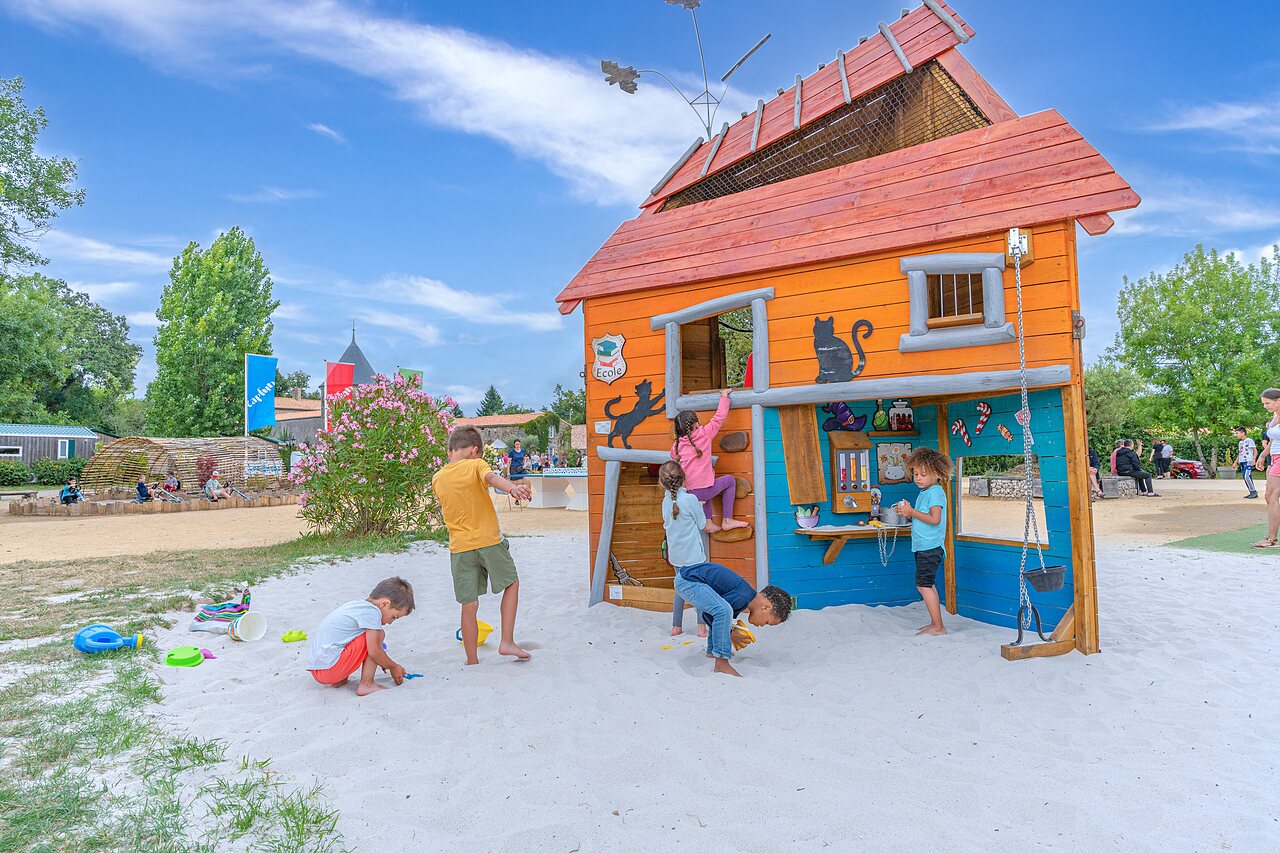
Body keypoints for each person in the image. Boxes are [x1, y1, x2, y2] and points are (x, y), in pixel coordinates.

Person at [431, 425, 533, 664]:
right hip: (488, 540)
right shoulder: (477, 464)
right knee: (512, 583)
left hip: (459, 547)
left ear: (450, 451)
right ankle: (507, 641)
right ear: (475, 450)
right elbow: (491, 478)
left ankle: (471, 659)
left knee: (469, 603)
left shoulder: (438, 478)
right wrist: (513, 488)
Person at [672, 559, 791, 677]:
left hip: (688, 579)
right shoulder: (743, 597)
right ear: (765, 607)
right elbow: (716, 615)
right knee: (723, 611)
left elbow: (709, 616)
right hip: (689, 581)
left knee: (722, 614)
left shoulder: (744, 597)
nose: (762, 625)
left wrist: (728, 631)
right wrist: (729, 634)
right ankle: (721, 663)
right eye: (767, 622)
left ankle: (712, 651)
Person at [306, 576, 413, 696]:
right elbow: (374, 652)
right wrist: (393, 666)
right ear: (384, 604)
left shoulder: (357, 605)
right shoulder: (372, 612)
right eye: (394, 616)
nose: (390, 622)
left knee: (364, 636)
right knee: (378, 634)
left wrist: (383, 661)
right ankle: (367, 684)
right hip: (329, 670)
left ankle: (340, 680)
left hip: (319, 669)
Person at [893, 447, 952, 636]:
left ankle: (938, 627)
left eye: (923, 474)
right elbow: (924, 518)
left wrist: (911, 512)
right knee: (927, 584)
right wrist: (908, 514)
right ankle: (936, 624)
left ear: (937, 473)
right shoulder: (925, 492)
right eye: (916, 473)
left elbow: (935, 519)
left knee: (924, 585)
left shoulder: (935, 492)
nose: (918, 477)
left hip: (930, 547)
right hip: (922, 546)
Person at [671, 390, 747, 533]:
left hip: (688, 492)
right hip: (702, 491)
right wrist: (724, 396)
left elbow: (673, 456)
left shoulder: (677, 445)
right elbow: (719, 417)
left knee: (707, 485)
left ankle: (708, 522)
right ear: (696, 424)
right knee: (729, 481)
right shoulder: (704, 433)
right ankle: (727, 520)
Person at [659, 460, 713, 638]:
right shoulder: (690, 499)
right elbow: (702, 524)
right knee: (700, 589)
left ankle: (676, 627)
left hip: (676, 556)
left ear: (662, 483)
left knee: (680, 588)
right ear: (683, 478)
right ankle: (701, 628)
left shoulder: (665, 503)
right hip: (694, 556)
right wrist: (700, 507)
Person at [1254, 389, 1280, 548]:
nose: (1265, 406)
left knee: (1271, 495)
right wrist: (1263, 455)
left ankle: (1271, 539)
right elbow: (1273, 440)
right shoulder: (1275, 416)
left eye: (1268, 403)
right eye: (1264, 403)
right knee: (1270, 496)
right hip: (1275, 457)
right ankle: (1271, 538)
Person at [1235, 426, 1259, 500]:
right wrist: (1235, 462)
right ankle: (1252, 492)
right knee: (1245, 477)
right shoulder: (1240, 443)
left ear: (1243, 433)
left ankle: (1253, 492)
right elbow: (1240, 453)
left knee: (1247, 476)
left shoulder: (1249, 440)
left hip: (1248, 461)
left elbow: (1255, 451)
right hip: (1242, 461)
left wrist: (1254, 460)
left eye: (1237, 433)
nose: (1236, 435)